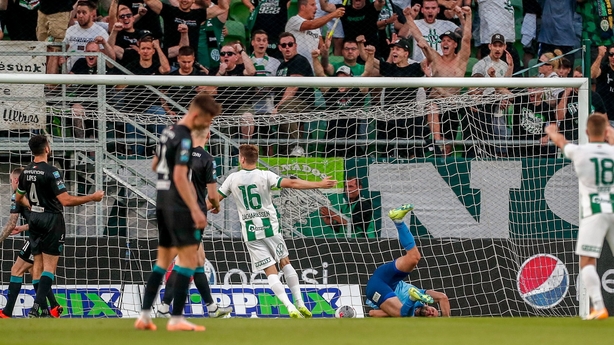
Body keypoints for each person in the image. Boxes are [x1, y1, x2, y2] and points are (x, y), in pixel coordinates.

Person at [212, 144, 337, 318]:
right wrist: (320, 184)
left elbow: (213, 201)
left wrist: (205, 208)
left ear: (241, 159)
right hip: (271, 228)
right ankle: (300, 303)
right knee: (285, 262)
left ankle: (289, 307)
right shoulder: (266, 175)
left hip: (251, 232)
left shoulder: (232, 179)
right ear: (256, 159)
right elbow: (292, 183)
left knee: (270, 271)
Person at [134, 93, 222, 332]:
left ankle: (144, 316)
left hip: (161, 201)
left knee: (162, 262)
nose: (208, 125)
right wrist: (195, 208)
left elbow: (154, 165)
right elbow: (181, 177)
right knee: (188, 260)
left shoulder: (168, 132)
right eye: (207, 120)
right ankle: (176, 318)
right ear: (197, 115)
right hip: (179, 205)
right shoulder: (183, 137)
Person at [15, 135, 104, 318]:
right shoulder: (52, 171)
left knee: (37, 265)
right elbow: (66, 200)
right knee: (49, 267)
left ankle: (44, 309)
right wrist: (92, 198)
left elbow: (18, 198)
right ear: (47, 148)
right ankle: (36, 307)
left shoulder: (25, 172)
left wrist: (33, 206)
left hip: (35, 219)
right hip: (51, 220)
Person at [156, 128, 233, 319]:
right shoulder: (207, 158)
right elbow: (213, 195)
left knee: (198, 261)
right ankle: (164, 308)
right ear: (208, 136)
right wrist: (215, 205)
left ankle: (212, 308)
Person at [544, 114, 614, 320]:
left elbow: (561, 142)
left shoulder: (580, 151)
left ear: (586, 132)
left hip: (593, 211)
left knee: (587, 262)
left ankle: (599, 307)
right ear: (606, 131)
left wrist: (551, 132)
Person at [365, 204, 450, 317]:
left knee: (402, 314)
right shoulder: (422, 294)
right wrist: (446, 320)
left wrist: (406, 308)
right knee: (414, 257)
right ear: (429, 305)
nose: (430, 312)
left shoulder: (410, 314)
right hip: (387, 277)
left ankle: (411, 299)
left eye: (431, 316)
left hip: (376, 287)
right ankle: (398, 220)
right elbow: (442, 297)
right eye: (433, 310)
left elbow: (373, 313)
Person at [0, 168, 62, 319]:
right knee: (34, 272)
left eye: (10, 181)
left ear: (16, 181)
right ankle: (51, 308)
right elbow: (40, 217)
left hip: (37, 238)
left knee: (17, 269)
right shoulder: (37, 195)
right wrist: (23, 227)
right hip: (48, 233)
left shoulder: (18, 196)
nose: (11, 184)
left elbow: (11, 223)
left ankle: (7, 312)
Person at [274, 32, 315, 156]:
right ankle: (283, 154)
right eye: (284, 45)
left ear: (295, 45)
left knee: (285, 109)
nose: (287, 47)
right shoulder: (281, 66)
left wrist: (277, 107)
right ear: (280, 47)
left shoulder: (299, 60)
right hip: (285, 105)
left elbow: (293, 86)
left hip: (302, 102)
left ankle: (297, 148)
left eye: (290, 44)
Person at [285, 0, 344, 70]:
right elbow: (311, 25)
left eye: (316, 5)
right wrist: (333, 14)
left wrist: (326, 47)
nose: (316, 8)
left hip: (311, 69)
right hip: (294, 67)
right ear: (303, 7)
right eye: (312, 5)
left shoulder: (316, 28)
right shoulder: (294, 20)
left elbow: (321, 51)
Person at [63, 1, 111, 72]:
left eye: (84, 12)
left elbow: (106, 55)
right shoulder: (70, 30)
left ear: (91, 14)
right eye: (78, 12)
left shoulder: (101, 32)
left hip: (91, 72)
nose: (80, 15)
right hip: (71, 73)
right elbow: (64, 49)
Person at [591, 46, 614, 126]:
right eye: (611, 54)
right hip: (603, 116)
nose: (613, 57)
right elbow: (592, 74)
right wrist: (600, 56)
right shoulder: (604, 68)